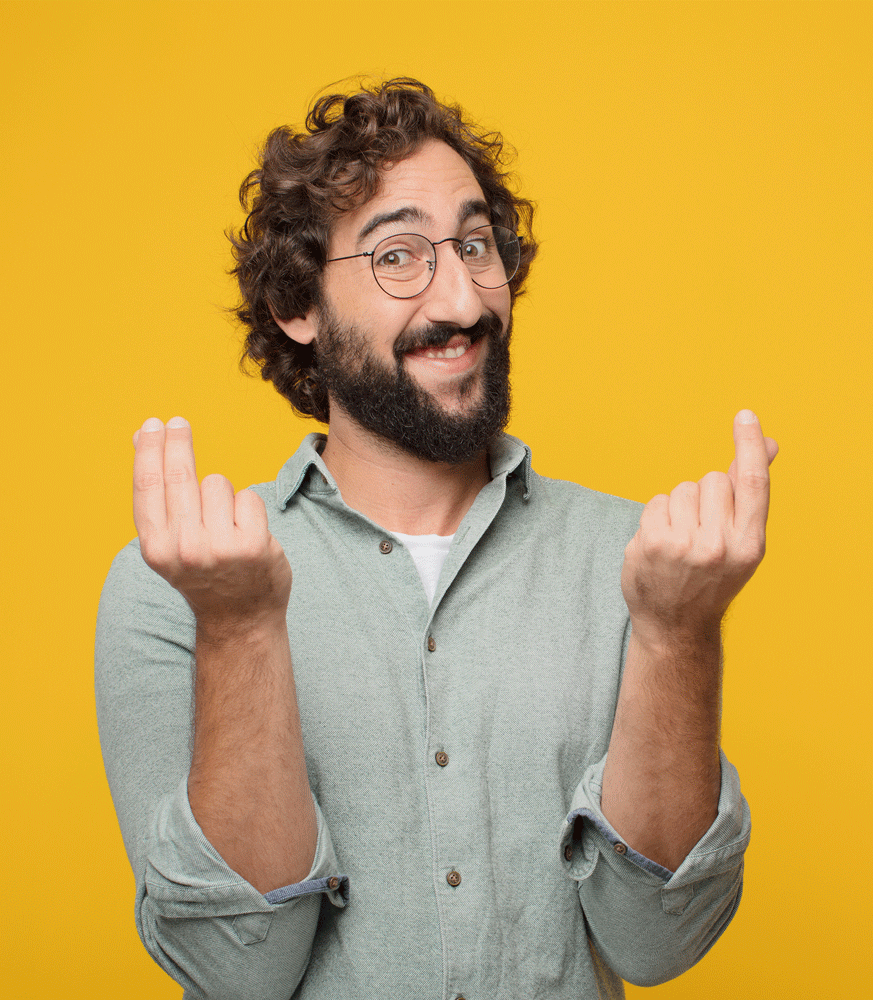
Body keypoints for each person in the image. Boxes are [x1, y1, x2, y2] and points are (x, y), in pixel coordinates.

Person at [96, 78, 778, 1000]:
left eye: (474, 245)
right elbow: (235, 969)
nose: (461, 299)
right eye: (399, 256)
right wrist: (240, 629)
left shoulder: (639, 564)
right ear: (298, 303)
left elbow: (653, 945)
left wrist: (678, 634)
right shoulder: (173, 586)